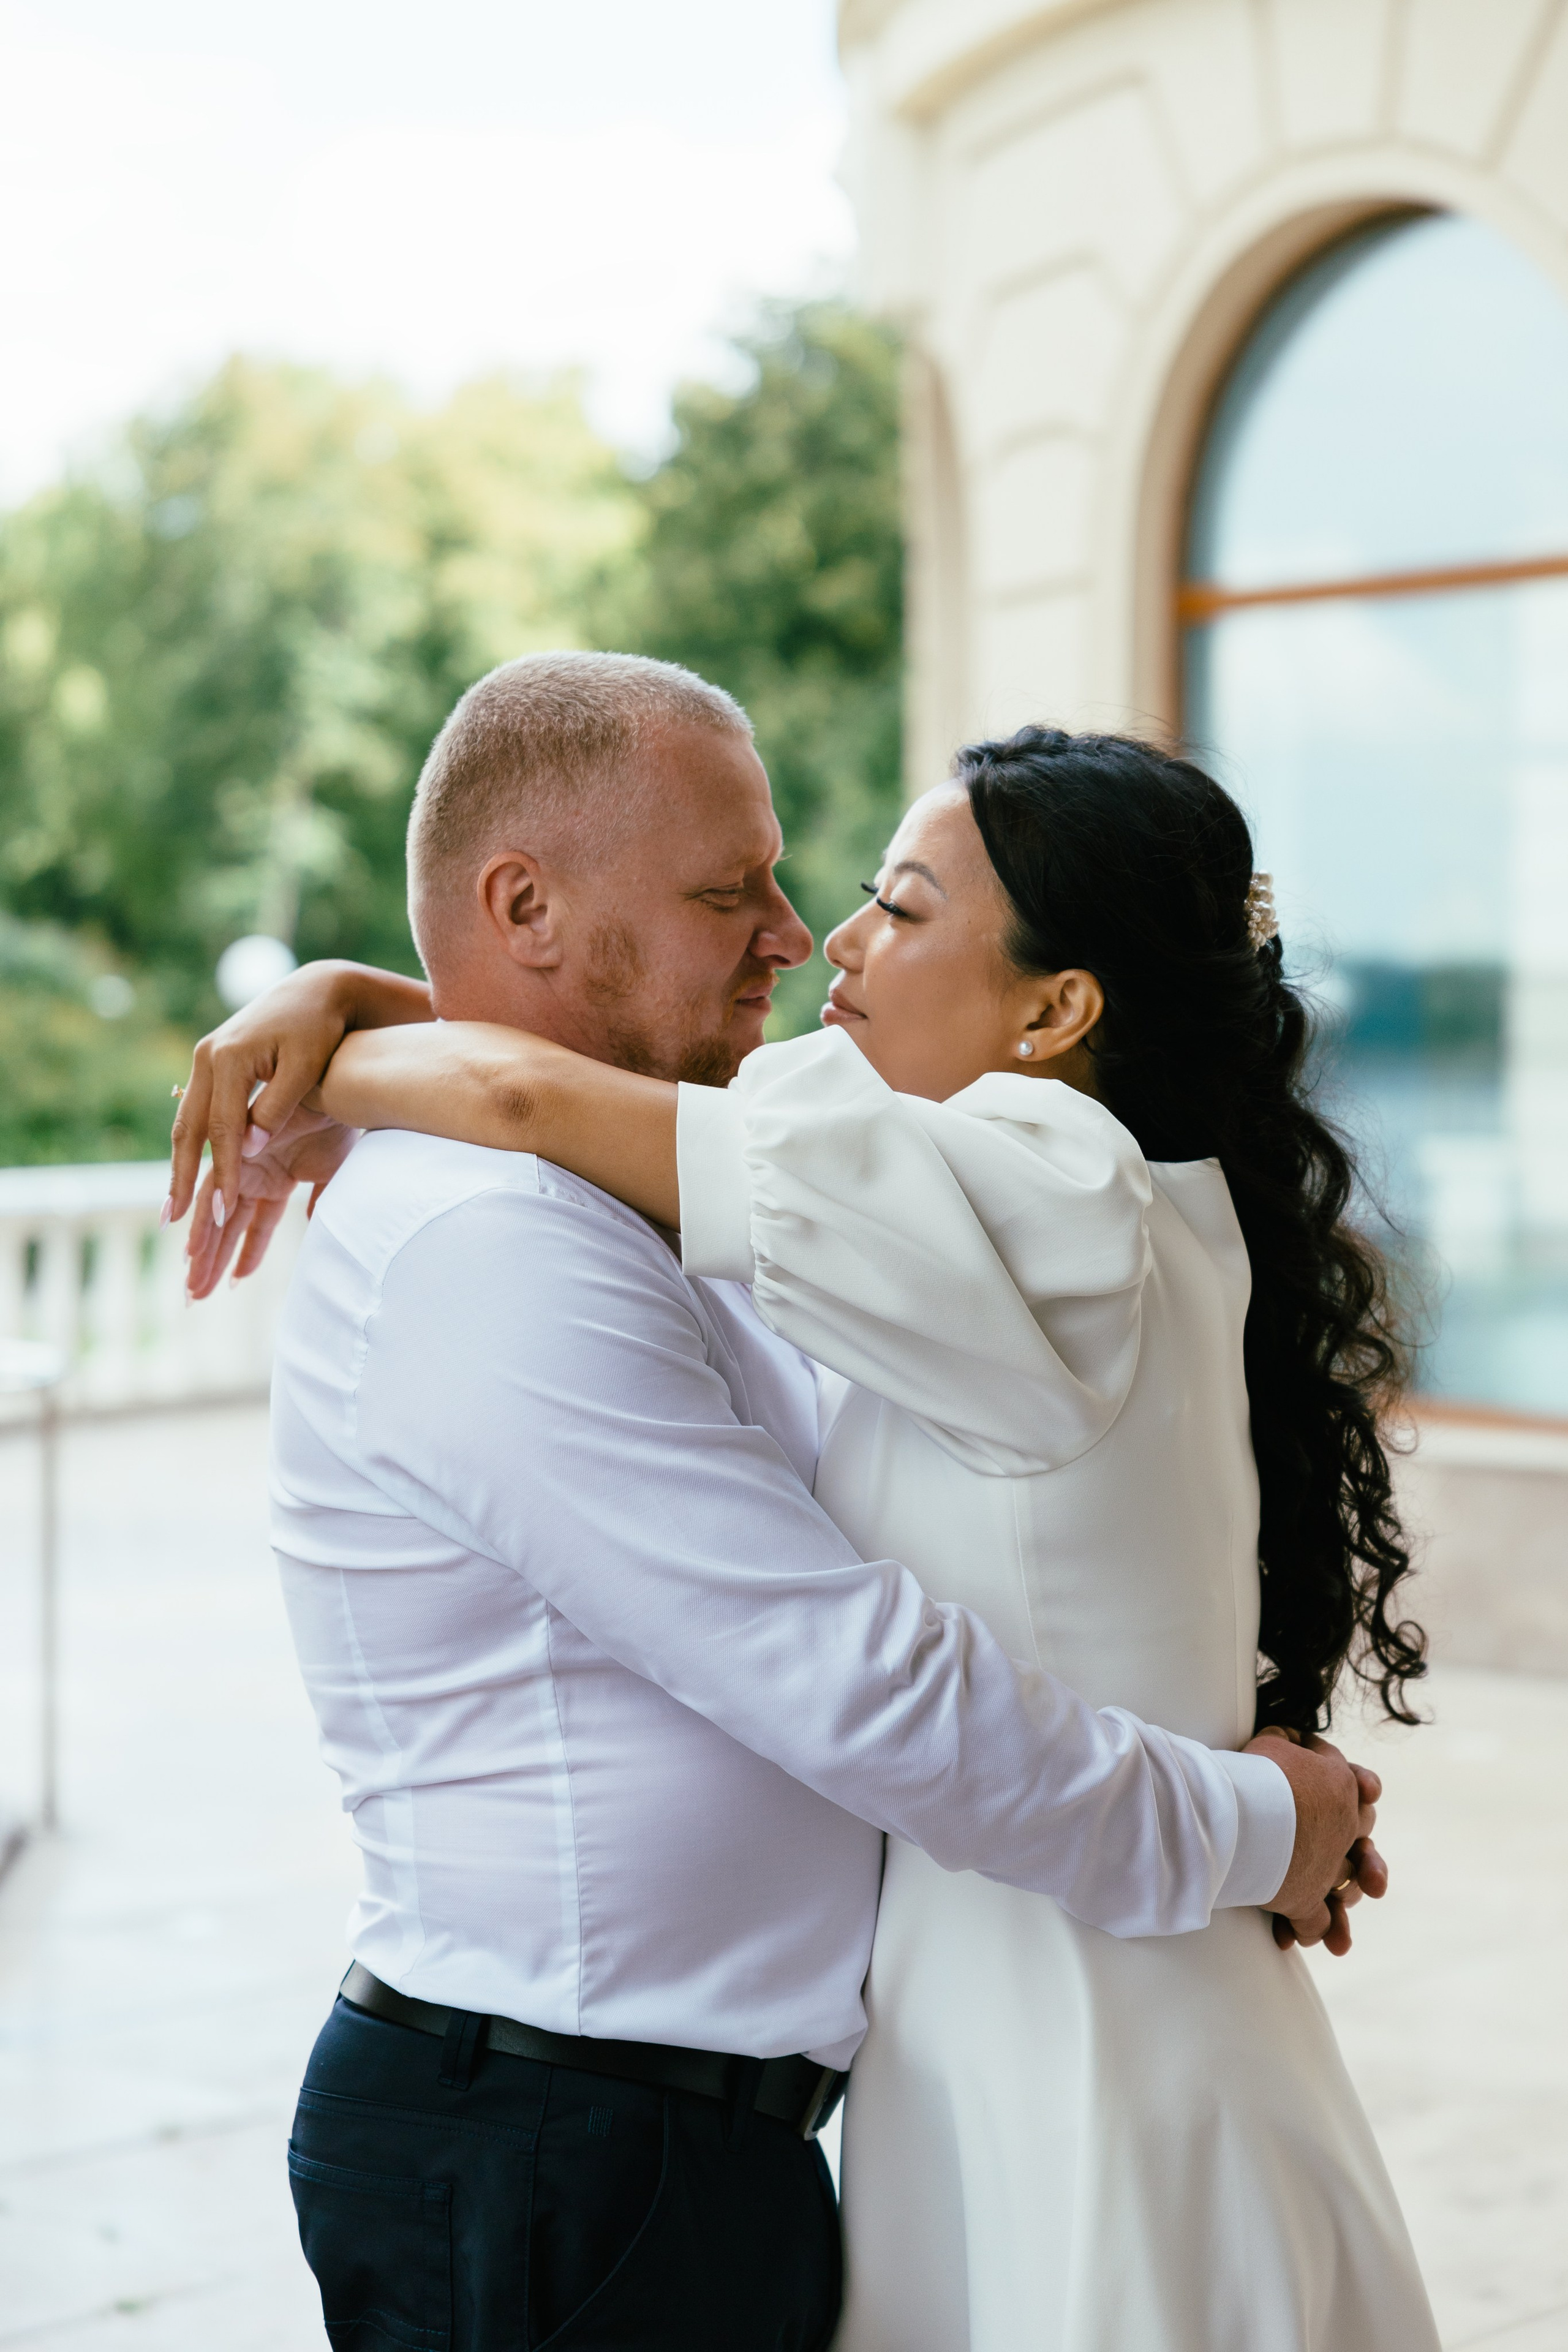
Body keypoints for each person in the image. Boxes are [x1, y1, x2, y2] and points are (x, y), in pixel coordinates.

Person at [170, 657, 1394, 2352]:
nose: (802, 929)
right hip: (566, 2145)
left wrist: (345, 1028)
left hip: (817, 2102)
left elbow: (545, 1089)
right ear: (525, 903)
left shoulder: (944, 1204)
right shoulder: (496, 1242)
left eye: (881, 901)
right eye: (727, 888)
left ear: (1062, 1011)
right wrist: (1260, 1825)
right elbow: (862, 1681)